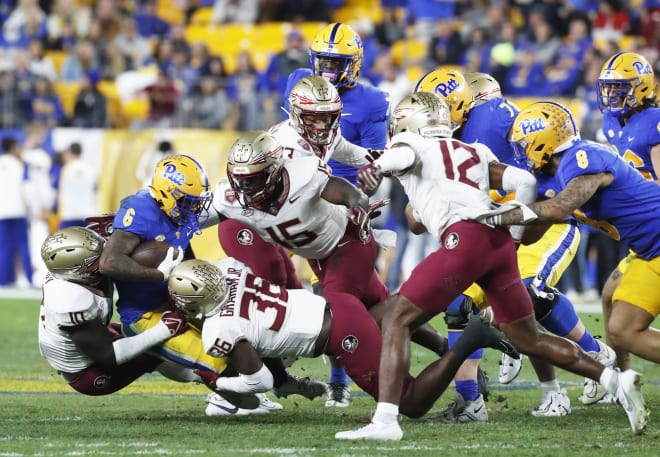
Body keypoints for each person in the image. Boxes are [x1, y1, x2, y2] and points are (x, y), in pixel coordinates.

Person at [335, 92, 648, 441]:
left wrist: (376, 168)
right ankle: (613, 380)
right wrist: (513, 234)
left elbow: (404, 152)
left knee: (397, 318)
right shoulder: (473, 150)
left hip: (464, 240)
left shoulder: (409, 144)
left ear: (408, 123)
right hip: (498, 243)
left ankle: (386, 421)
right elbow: (525, 182)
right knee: (527, 338)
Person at [416, 69, 615, 417]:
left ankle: (580, 365)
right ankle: (470, 402)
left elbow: (529, 174)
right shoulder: (452, 137)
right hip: (497, 230)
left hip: (540, 223)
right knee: (458, 307)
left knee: (525, 298)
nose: (433, 121)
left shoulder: (491, 119)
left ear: (460, 106)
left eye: (439, 111)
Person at [167, 257, 512, 418]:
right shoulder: (229, 267)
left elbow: (258, 380)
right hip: (334, 305)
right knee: (397, 312)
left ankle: (471, 338)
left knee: (409, 403)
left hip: (338, 336)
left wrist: (220, 384)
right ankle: (450, 295)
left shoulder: (217, 329)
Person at [98, 153, 306, 415]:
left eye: (196, 202)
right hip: (146, 315)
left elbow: (182, 252)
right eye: (187, 200)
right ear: (166, 192)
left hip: (178, 299)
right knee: (219, 361)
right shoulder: (141, 210)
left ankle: (275, 382)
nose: (193, 209)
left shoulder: (179, 211)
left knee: (240, 328)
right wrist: (159, 275)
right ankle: (223, 400)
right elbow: (109, 262)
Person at [283, 23, 391, 406]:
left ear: (354, 64)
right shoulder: (299, 81)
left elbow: (374, 169)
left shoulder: (373, 102)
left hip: (343, 208)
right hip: (302, 200)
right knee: (362, 297)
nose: (327, 69)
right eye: (323, 60)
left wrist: (360, 195)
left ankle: (339, 380)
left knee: (341, 295)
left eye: (336, 61)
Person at [39, 226, 190, 395]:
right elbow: (109, 355)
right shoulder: (70, 301)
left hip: (100, 333)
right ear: (82, 272)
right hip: (90, 371)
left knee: (144, 330)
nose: (106, 257)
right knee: (162, 352)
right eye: (99, 258)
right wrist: (164, 329)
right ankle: (211, 382)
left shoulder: (68, 269)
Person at [596, 51, 660, 373]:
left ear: (641, 87)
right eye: (609, 88)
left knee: (622, 314)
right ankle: (621, 375)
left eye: (620, 88)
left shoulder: (653, 122)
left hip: (655, 227)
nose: (612, 95)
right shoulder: (612, 123)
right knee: (609, 295)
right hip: (644, 233)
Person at [0, 137, 32, 287]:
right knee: (23, 246)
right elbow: (26, 188)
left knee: (4, 247)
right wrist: (31, 208)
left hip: (2, 212)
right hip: (18, 210)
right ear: (13, 147)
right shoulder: (19, 164)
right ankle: (29, 279)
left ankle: (5, 281)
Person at [57, 142, 98, 229]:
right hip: (87, 214)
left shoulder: (66, 169)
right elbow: (96, 189)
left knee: (65, 241)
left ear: (69, 152)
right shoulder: (90, 168)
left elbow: (58, 190)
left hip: (69, 214)